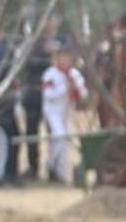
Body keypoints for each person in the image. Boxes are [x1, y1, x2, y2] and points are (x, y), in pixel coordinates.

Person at [38, 43, 89, 187]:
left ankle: (62, 173)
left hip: (68, 111)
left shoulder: (74, 74)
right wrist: (64, 88)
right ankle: (51, 164)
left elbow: (84, 93)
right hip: (53, 110)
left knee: (66, 140)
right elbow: (48, 94)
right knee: (59, 136)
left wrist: (76, 87)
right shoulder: (50, 74)